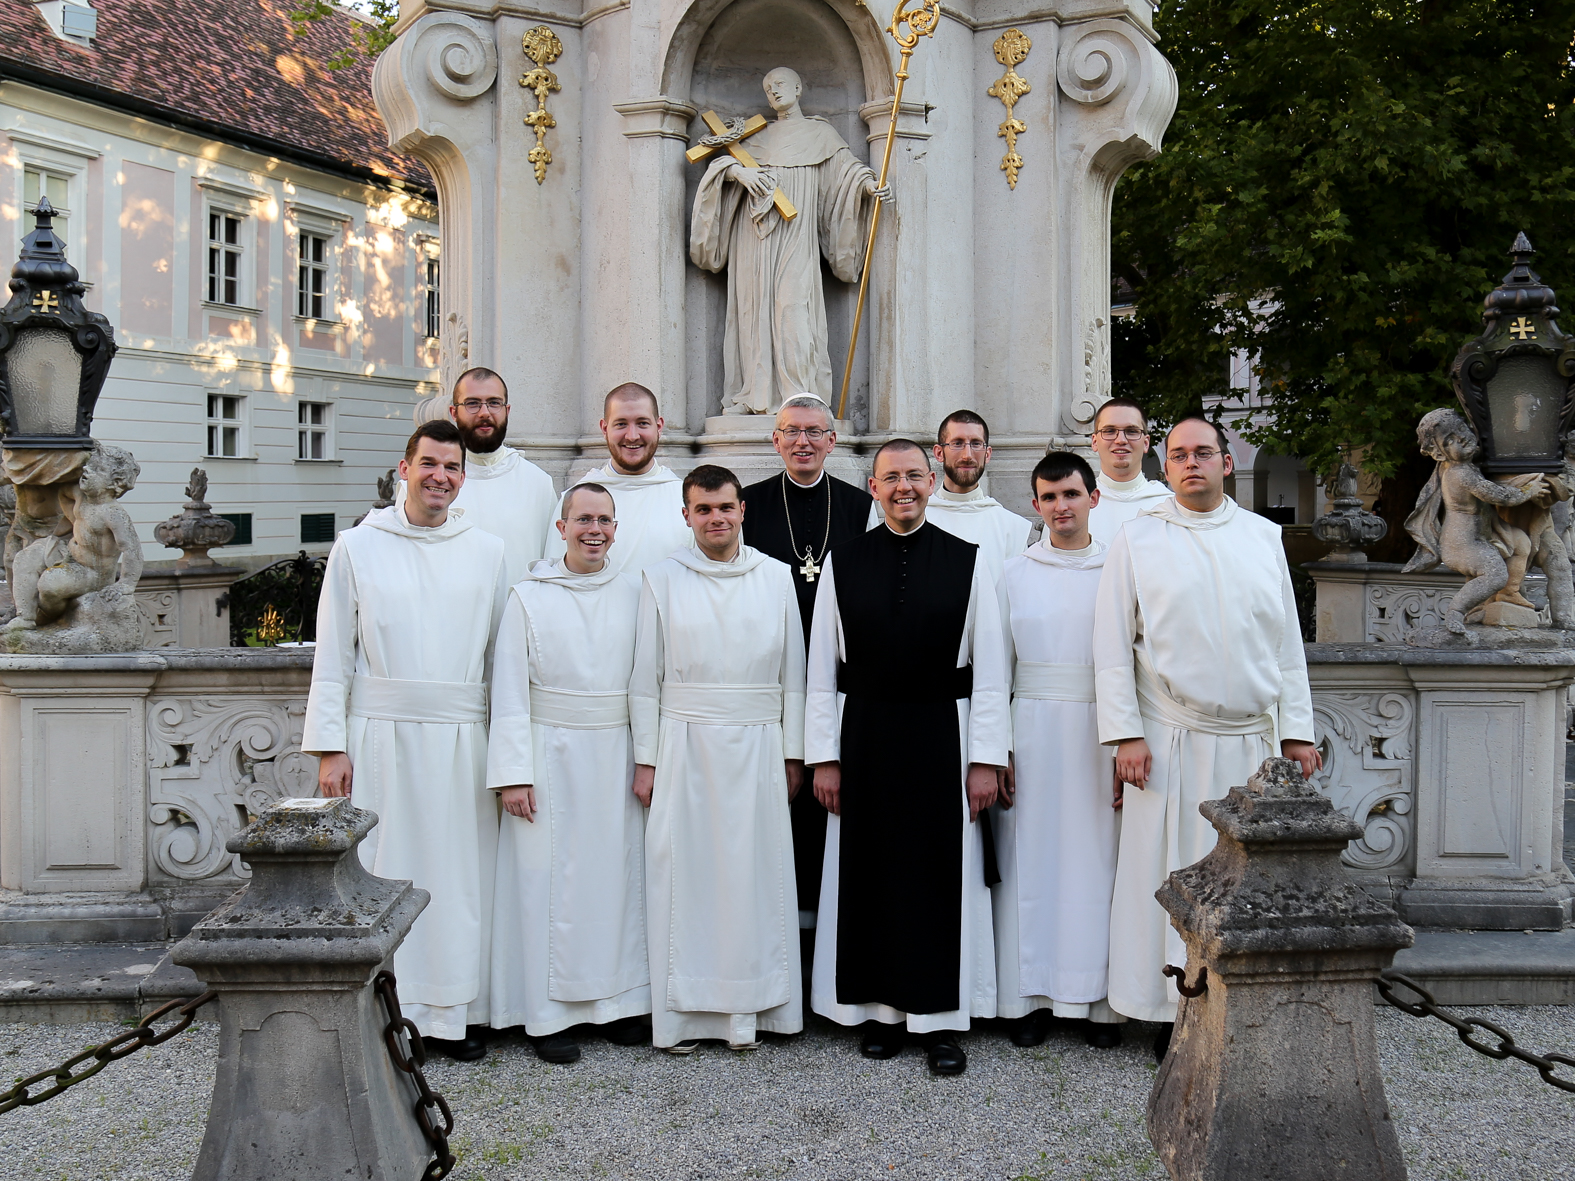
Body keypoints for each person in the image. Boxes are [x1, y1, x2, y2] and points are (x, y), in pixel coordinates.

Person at [1093, 416, 1319, 1060]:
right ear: (1166, 467)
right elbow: (1111, 645)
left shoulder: (1261, 536)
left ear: (1226, 463)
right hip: (1169, 740)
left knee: (1249, 883)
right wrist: (1124, 735)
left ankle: (1239, 1001)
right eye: (1179, 455)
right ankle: (1167, 1011)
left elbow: (1285, 645)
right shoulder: (1138, 539)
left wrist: (1296, 732)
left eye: (1204, 453)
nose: (1191, 463)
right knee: (1165, 873)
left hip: (1251, 740)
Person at [805, 439, 1010, 1076]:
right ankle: (880, 1012)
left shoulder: (969, 560)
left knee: (937, 874)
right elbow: (819, 671)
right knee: (869, 871)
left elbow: (991, 671)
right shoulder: (845, 560)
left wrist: (985, 760)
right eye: (891, 477)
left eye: (915, 476)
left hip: (941, 734)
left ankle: (941, 1022)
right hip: (862, 733)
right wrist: (823, 759)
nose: (904, 487)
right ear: (872, 487)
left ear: (933, 482)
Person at [306, 420, 508, 1061]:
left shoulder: (488, 551)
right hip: (381, 737)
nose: (440, 477)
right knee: (386, 874)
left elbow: (501, 662)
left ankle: (455, 1011)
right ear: (404, 467)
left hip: (458, 740)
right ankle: (389, 1015)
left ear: (463, 477)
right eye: (429, 464)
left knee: (460, 877)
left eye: (451, 467)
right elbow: (333, 654)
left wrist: (506, 754)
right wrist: (330, 747)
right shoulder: (358, 547)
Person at [630, 464, 806, 1052]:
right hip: (685, 740)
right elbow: (645, 680)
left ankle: (759, 1009)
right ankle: (685, 1017)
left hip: (758, 744)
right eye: (703, 510)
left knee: (756, 875)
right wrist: (647, 759)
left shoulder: (776, 577)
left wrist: (794, 753)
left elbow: (794, 677)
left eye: (724, 508)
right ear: (686, 515)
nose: (715, 519)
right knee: (687, 875)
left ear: (741, 510)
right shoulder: (661, 579)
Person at [487, 482, 650, 1064]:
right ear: (561, 528)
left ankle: (616, 1003)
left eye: (604, 520)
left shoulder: (635, 592)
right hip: (547, 753)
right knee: (548, 885)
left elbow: (648, 682)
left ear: (615, 529)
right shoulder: (528, 597)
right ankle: (547, 1015)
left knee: (615, 880)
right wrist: (513, 773)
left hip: (616, 753)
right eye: (583, 519)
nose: (594, 530)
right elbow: (508, 691)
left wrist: (649, 758)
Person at [741, 392, 876, 968]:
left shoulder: (856, 507)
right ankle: (770, 941)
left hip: (835, 679)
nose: (802, 441)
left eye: (813, 432)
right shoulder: (747, 505)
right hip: (764, 677)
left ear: (832, 441)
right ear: (775, 441)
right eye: (791, 431)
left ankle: (823, 944)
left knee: (826, 802)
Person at [994, 452, 1123, 1051]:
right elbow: (996, 671)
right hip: (1034, 728)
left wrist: (1128, 741)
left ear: (1093, 498)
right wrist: (998, 749)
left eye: (1070, 494)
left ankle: (1098, 1002)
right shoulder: (1013, 573)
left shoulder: (1120, 571)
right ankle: (1030, 997)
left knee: (1098, 863)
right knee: (1030, 860)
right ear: (1036, 505)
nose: (1060, 507)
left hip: (1100, 729)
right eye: (1048, 497)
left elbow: (1136, 666)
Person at [689, 67, 890, 413]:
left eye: (780, 84)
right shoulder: (753, 135)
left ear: (799, 87)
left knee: (793, 311)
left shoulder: (819, 134)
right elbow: (718, 167)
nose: (774, 91)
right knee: (754, 311)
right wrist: (737, 171)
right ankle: (752, 395)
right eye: (768, 88)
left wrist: (867, 186)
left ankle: (798, 396)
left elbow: (845, 171)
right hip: (752, 238)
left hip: (797, 237)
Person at [397, 367, 558, 584]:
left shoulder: (539, 484)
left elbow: (553, 564)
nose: (484, 412)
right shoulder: (426, 484)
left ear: (507, 410)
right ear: (454, 412)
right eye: (472, 403)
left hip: (516, 615)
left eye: (494, 403)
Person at [545, 384, 691, 578]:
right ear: (605, 429)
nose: (632, 436)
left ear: (659, 427)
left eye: (642, 423)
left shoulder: (685, 499)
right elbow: (557, 580)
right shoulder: (574, 501)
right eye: (621, 424)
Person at [922, 410, 1032, 585]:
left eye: (976, 444)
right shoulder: (919, 520)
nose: (967, 455)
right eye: (957, 443)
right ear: (939, 452)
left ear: (987, 454)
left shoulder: (1011, 529)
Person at [1086, 397, 1169, 547]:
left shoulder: (1168, 506)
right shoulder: (1076, 505)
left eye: (1131, 431)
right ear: (1094, 442)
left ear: (1145, 443)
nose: (1121, 440)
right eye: (1109, 431)